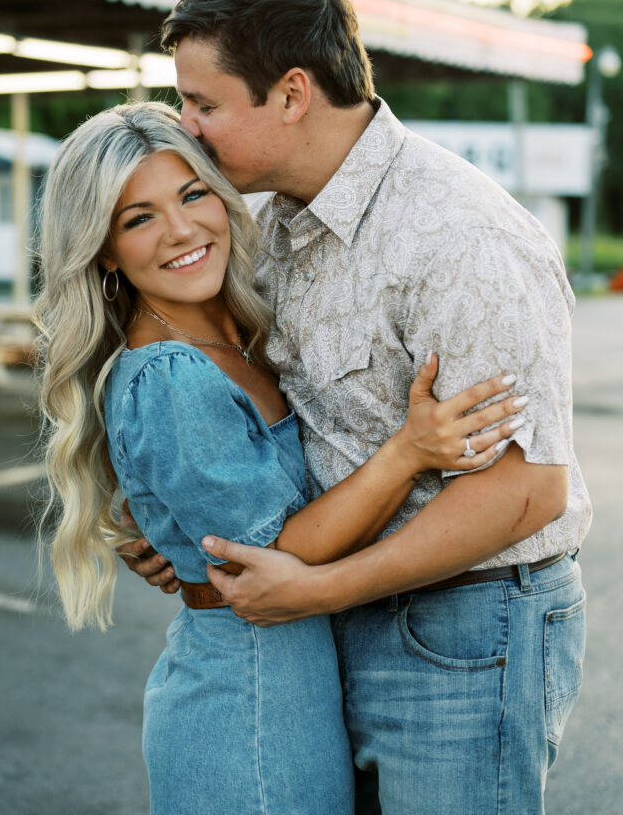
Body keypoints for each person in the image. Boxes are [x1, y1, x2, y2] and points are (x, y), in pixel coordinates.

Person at [123, 0, 592, 815]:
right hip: (327, 621)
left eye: (205, 105)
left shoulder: (457, 236)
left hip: (462, 631)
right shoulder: (266, 225)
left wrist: (317, 588)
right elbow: (234, 409)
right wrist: (185, 531)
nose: (186, 128)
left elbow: (524, 489)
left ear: (291, 94)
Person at [35, 101, 520, 815]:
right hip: (246, 706)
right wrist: (409, 453)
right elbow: (272, 558)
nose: (181, 230)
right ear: (104, 250)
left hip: (297, 686)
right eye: (138, 218)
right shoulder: (171, 377)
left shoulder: (241, 334)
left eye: (193, 193)